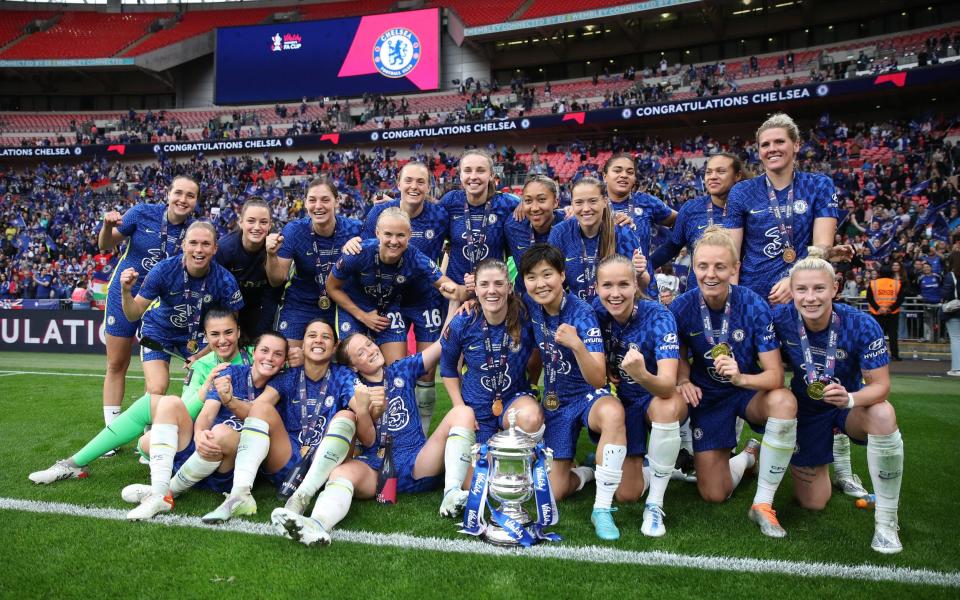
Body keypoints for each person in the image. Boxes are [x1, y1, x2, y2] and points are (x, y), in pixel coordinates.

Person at [270, 333, 478, 545]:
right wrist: (364, 409)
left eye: (369, 344)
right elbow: (368, 441)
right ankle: (317, 524)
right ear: (354, 366)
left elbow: (441, 343)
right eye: (361, 352)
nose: (370, 350)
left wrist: (455, 307)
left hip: (416, 459)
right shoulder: (352, 388)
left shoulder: (401, 369)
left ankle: (452, 493)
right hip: (375, 467)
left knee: (463, 413)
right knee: (341, 472)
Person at [772, 250, 905, 554]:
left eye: (819, 288)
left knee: (883, 414)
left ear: (835, 288)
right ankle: (837, 463)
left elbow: (881, 386)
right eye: (802, 289)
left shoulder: (861, 324)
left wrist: (850, 399)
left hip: (849, 405)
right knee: (813, 502)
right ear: (791, 291)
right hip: (806, 409)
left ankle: (886, 521)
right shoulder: (781, 319)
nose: (810, 298)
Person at [669, 227, 798, 538]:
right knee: (714, 494)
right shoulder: (681, 307)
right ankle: (748, 457)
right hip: (709, 397)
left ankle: (763, 503)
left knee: (783, 400)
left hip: (746, 391)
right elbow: (679, 357)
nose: (710, 274)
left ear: (735, 269)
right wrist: (684, 379)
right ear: (693, 267)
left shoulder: (753, 305)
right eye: (702, 266)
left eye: (720, 266)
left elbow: (775, 376)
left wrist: (741, 377)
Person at [29, 308, 252, 484]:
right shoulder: (202, 365)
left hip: (233, 436)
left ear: (239, 332)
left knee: (149, 443)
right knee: (147, 433)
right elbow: (185, 411)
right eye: (215, 334)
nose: (222, 340)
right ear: (206, 337)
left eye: (228, 332)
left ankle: (169, 468)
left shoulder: (255, 356)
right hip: (198, 434)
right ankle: (74, 464)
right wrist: (206, 387)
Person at [518, 243, 627, 541]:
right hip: (556, 403)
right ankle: (588, 473)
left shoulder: (582, 312)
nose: (540, 284)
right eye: (532, 277)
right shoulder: (530, 308)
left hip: (588, 397)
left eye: (547, 275)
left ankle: (602, 509)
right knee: (554, 493)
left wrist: (577, 345)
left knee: (613, 412)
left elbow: (598, 378)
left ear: (562, 275)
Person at [202, 319, 360, 524]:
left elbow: (358, 405)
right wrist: (230, 401)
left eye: (326, 337)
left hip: (324, 461)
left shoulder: (343, 375)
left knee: (347, 416)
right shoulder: (289, 376)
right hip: (287, 455)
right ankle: (239, 495)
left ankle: (301, 497)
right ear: (302, 344)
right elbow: (255, 410)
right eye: (312, 336)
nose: (318, 341)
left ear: (335, 346)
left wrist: (366, 404)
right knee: (261, 408)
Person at [123, 331, 288, 520]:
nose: (269, 358)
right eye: (264, 350)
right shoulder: (231, 372)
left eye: (277, 354)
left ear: (284, 361)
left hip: (229, 466)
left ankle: (167, 491)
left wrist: (230, 402)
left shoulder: (282, 385)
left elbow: (258, 413)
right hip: (203, 452)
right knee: (169, 404)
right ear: (254, 353)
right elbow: (208, 413)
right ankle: (160, 493)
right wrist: (199, 433)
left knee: (222, 432)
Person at [593, 255, 686, 537]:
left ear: (636, 285)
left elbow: (668, 386)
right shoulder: (595, 312)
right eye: (607, 285)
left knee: (665, 407)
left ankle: (655, 505)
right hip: (626, 402)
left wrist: (642, 373)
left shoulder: (658, 315)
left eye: (623, 284)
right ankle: (664, 466)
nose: (615, 293)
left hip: (657, 396)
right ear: (596, 288)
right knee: (627, 493)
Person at [98, 176, 197, 433]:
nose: (183, 200)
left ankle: (147, 433)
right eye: (179, 193)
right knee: (117, 363)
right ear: (168, 194)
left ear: (196, 201)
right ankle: (112, 430)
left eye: (190, 195)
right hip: (125, 294)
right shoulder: (142, 213)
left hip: (162, 303)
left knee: (154, 371)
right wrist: (107, 226)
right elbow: (105, 244)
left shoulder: (195, 230)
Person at [358, 162, 451, 433]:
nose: (414, 186)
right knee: (395, 370)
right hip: (389, 300)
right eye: (408, 180)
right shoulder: (379, 212)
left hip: (426, 300)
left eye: (420, 182)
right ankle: (393, 431)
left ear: (428, 186)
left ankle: (419, 433)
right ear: (398, 183)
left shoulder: (439, 215)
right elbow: (365, 250)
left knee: (426, 372)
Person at [726, 113, 849, 304]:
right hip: (752, 298)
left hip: (802, 295)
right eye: (765, 145)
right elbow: (731, 256)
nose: (772, 149)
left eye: (779, 142)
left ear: (796, 145)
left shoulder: (819, 185)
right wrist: (734, 301)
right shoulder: (741, 191)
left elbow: (822, 246)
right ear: (759, 152)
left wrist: (794, 278)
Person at [118, 222, 244, 397]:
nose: (199, 249)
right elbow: (133, 315)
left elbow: (229, 330)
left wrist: (200, 357)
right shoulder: (163, 270)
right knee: (156, 387)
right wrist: (125, 291)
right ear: (184, 245)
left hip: (199, 336)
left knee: (211, 384)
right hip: (159, 331)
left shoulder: (225, 281)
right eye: (193, 243)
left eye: (206, 244)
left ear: (215, 248)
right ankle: (150, 423)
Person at [327, 208, 466, 366]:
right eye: (388, 234)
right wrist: (362, 315)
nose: (394, 241)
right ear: (377, 233)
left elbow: (452, 287)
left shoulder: (415, 258)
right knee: (354, 368)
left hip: (387, 312)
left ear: (409, 235)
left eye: (400, 235)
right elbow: (331, 287)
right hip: (354, 309)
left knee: (397, 371)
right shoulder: (358, 253)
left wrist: (473, 288)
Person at [440, 259, 541, 444]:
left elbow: (544, 352)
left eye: (499, 284)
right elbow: (447, 367)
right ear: (476, 289)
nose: (492, 290)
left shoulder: (526, 318)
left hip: (513, 403)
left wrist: (533, 384)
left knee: (531, 418)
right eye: (484, 284)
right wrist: (460, 409)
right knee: (477, 471)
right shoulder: (463, 321)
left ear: (509, 287)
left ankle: (532, 453)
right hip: (475, 409)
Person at [267, 177, 362, 347]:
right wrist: (271, 255)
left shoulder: (354, 229)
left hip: (342, 303)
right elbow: (277, 279)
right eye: (312, 200)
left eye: (325, 200)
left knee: (349, 356)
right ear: (305, 203)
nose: (318, 206)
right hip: (301, 303)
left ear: (337, 201)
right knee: (288, 355)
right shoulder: (294, 230)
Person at [651, 153, 746, 291]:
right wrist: (643, 266)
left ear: (737, 175)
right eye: (708, 172)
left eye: (721, 171)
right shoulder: (691, 209)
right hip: (699, 295)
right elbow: (671, 246)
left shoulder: (749, 209)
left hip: (742, 293)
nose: (713, 176)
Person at [548, 177, 646, 302]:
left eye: (593, 201)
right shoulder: (560, 233)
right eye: (579, 202)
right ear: (571, 204)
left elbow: (644, 283)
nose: (586, 208)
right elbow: (553, 280)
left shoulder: (623, 231)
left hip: (614, 308)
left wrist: (640, 273)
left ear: (605, 201)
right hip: (576, 312)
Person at [439, 149, 519, 290]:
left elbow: (536, 208)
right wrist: (397, 204)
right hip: (456, 291)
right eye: (468, 171)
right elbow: (425, 213)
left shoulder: (507, 204)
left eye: (480, 171)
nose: (473, 176)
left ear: (491, 175)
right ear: (460, 175)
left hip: (491, 291)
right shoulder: (451, 200)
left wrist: (566, 211)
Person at [602, 154, 676, 296]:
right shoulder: (594, 204)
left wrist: (654, 260)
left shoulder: (646, 202)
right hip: (606, 283)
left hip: (643, 282)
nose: (624, 175)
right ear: (605, 176)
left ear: (635, 178)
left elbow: (680, 222)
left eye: (630, 172)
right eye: (617, 171)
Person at [215, 198, 284, 342]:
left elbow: (275, 288)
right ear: (241, 222)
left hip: (263, 305)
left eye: (263, 222)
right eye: (251, 221)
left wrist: (263, 331)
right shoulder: (224, 249)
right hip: (231, 306)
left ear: (270, 224)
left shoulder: (278, 246)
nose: (257, 227)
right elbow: (218, 293)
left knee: (261, 342)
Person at [504, 175, 566, 290]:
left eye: (541, 200)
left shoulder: (568, 225)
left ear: (556, 202)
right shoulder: (513, 226)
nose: (534, 208)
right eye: (528, 201)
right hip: (524, 299)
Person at [867, 265, 906, 361]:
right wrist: (890, 309)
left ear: (880, 273)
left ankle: (876, 356)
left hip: (877, 313)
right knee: (893, 335)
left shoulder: (873, 283)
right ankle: (895, 355)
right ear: (891, 273)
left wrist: (878, 308)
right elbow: (901, 299)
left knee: (877, 335)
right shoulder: (897, 283)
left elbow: (869, 298)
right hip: (892, 313)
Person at [942, 264, 960, 376]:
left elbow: (946, 293)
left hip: (955, 310)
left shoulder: (951, 275)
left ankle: (957, 368)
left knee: (956, 339)